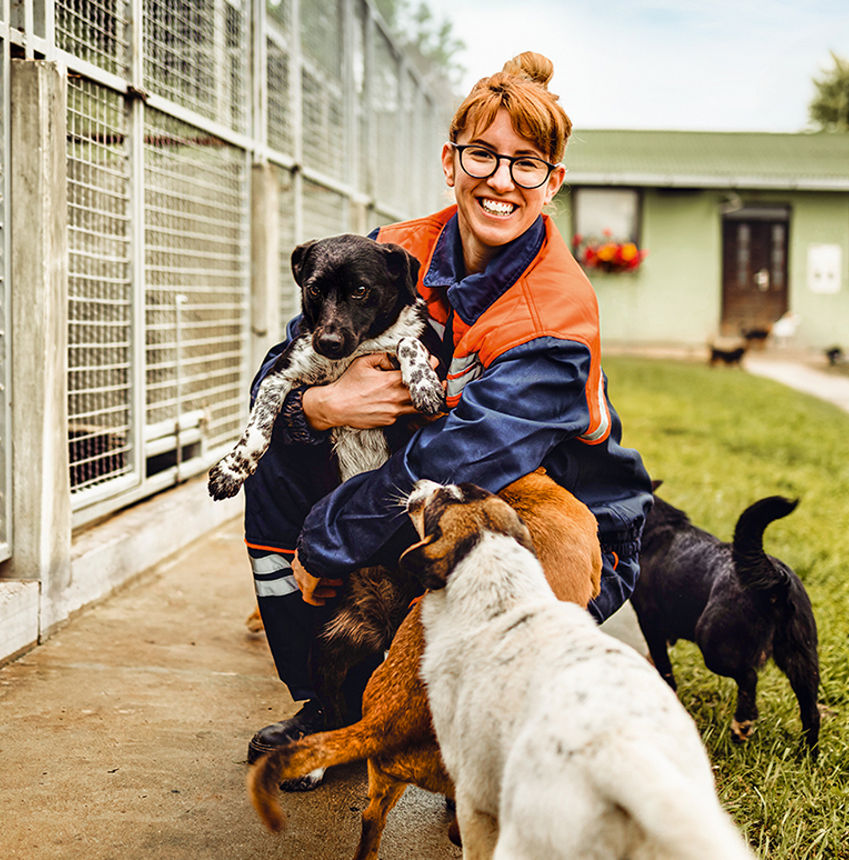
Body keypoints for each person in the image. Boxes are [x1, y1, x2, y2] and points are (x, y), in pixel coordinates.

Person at [241, 51, 652, 764]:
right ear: (450, 161)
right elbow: (279, 371)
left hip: (544, 504)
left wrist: (325, 537)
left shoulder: (557, 307)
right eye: (483, 155)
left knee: (524, 581)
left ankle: (505, 746)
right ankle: (327, 702)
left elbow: (463, 456)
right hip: (420, 489)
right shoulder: (393, 252)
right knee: (284, 434)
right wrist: (326, 405)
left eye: (526, 164)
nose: (501, 179)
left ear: (551, 183)